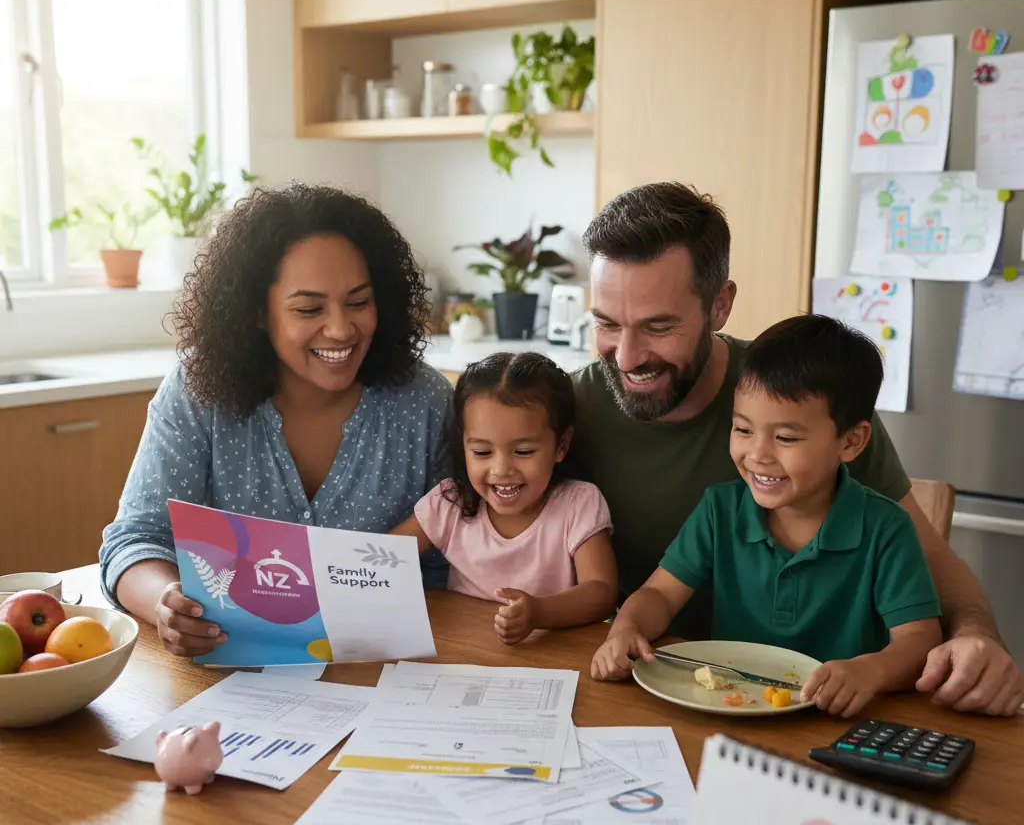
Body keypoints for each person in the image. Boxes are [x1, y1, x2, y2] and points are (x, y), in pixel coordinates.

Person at [572, 181, 1022, 716]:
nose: (625, 356)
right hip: (663, 688)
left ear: (720, 305)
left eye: (659, 326)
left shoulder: (796, 395)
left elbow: (929, 567)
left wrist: (980, 638)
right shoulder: (569, 409)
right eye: (606, 322)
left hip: (821, 703)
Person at [100, 183, 451, 658]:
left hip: (396, 669)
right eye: (309, 308)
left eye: (358, 302)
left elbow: (466, 552)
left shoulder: (424, 401)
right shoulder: (196, 390)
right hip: (230, 681)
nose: (341, 329)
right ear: (257, 313)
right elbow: (136, 537)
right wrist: (165, 603)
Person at [592, 315, 943, 718]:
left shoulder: (885, 528)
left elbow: (920, 639)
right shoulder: (719, 511)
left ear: (851, 440)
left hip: (837, 722)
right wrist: (627, 628)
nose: (757, 454)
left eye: (786, 438)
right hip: (727, 708)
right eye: (742, 429)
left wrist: (871, 670)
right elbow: (659, 595)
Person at [393, 351, 618, 645]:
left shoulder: (579, 503)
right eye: (482, 452)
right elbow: (384, 559)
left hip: (552, 659)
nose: (501, 470)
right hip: (464, 654)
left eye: (523, 452)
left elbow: (601, 591)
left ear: (561, 445)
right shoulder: (450, 502)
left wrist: (539, 612)